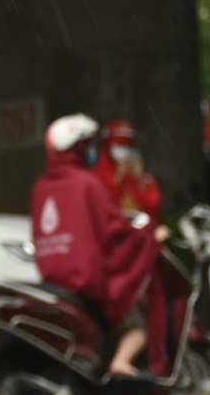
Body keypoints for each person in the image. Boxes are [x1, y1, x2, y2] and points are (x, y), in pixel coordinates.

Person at [32, 114, 158, 378]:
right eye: (88, 145)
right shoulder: (88, 183)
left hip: (53, 281)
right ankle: (121, 363)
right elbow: (115, 230)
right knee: (137, 321)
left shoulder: (43, 187)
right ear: (79, 148)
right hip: (86, 283)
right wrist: (146, 236)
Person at [98, 119, 165, 223]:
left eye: (130, 148)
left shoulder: (144, 178)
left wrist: (140, 183)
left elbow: (154, 209)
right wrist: (117, 181)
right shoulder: (97, 177)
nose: (127, 156)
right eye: (121, 147)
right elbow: (102, 211)